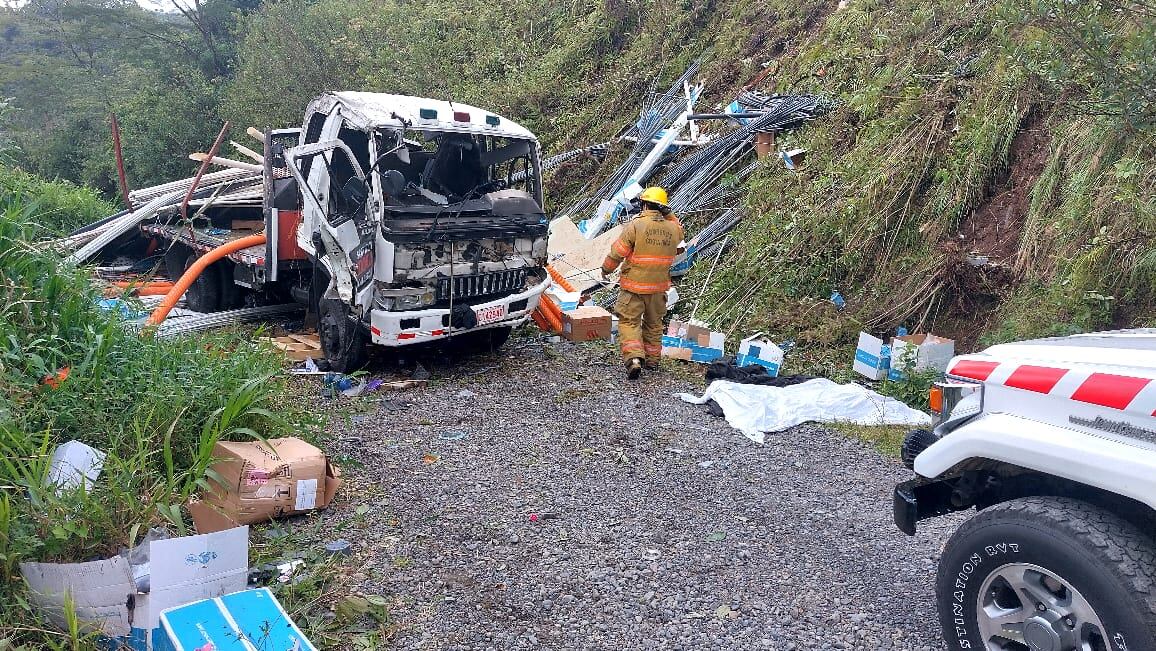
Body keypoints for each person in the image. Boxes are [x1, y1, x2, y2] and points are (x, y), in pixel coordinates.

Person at [601, 186, 683, 379]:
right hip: (658, 288)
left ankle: (635, 359)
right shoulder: (673, 229)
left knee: (629, 322)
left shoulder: (636, 226)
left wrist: (606, 270)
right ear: (663, 208)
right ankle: (653, 361)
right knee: (654, 324)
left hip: (634, 288)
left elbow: (617, 253)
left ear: (644, 204)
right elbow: (678, 227)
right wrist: (668, 212)